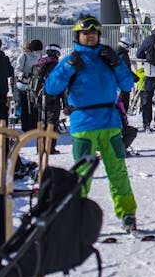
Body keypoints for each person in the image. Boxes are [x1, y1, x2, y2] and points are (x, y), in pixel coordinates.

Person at [45, 15, 140, 233]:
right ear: (78, 35)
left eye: (94, 33)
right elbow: (51, 87)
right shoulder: (71, 60)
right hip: (84, 125)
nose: (90, 37)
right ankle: (75, 216)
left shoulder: (108, 58)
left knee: (118, 172)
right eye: (86, 33)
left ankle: (127, 213)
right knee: (81, 176)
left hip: (110, 124)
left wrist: (117, 63)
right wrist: (69, 66)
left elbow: (127, 84)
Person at [28, 44, 65, 153]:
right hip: (53, 98)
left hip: (39, 98)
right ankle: (50, 148)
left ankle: (40, 147)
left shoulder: (40, 63)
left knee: (41, 122)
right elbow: (61, 84)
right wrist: (65, 101)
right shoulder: (56, 66)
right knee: (51, 123)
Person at [13, 39, 43, 132]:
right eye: (38, 50)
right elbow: (16, 70)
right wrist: (24, 74)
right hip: (23, 85)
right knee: (25, 105)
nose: (39, 52)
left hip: (34, 85)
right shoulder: (23, 56)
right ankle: (25, 126)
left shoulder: (39, 56)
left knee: (35, 106)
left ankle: (34, 125)